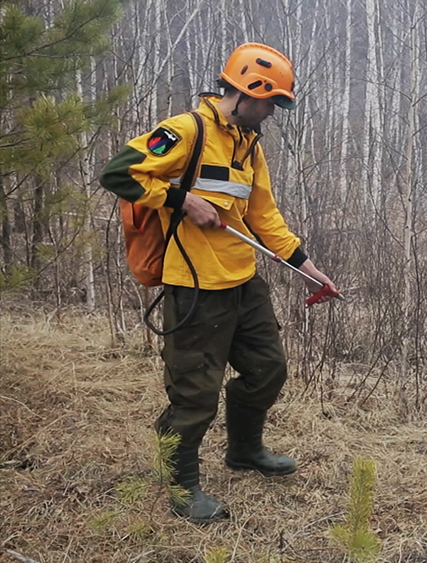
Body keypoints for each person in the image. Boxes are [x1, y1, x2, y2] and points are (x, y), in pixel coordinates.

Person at [99, 43, 337, 523]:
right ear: (247, 90)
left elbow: (263, 214)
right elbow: (117, 173)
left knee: (268, 369)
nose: (272, 112)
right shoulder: (185, 131)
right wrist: (180, 199)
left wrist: (305, 263)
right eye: (270, 101)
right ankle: (182, 487)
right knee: (194, 396)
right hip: (194, 285)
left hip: (243, 280)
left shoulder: (249, 144)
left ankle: (244, 451)